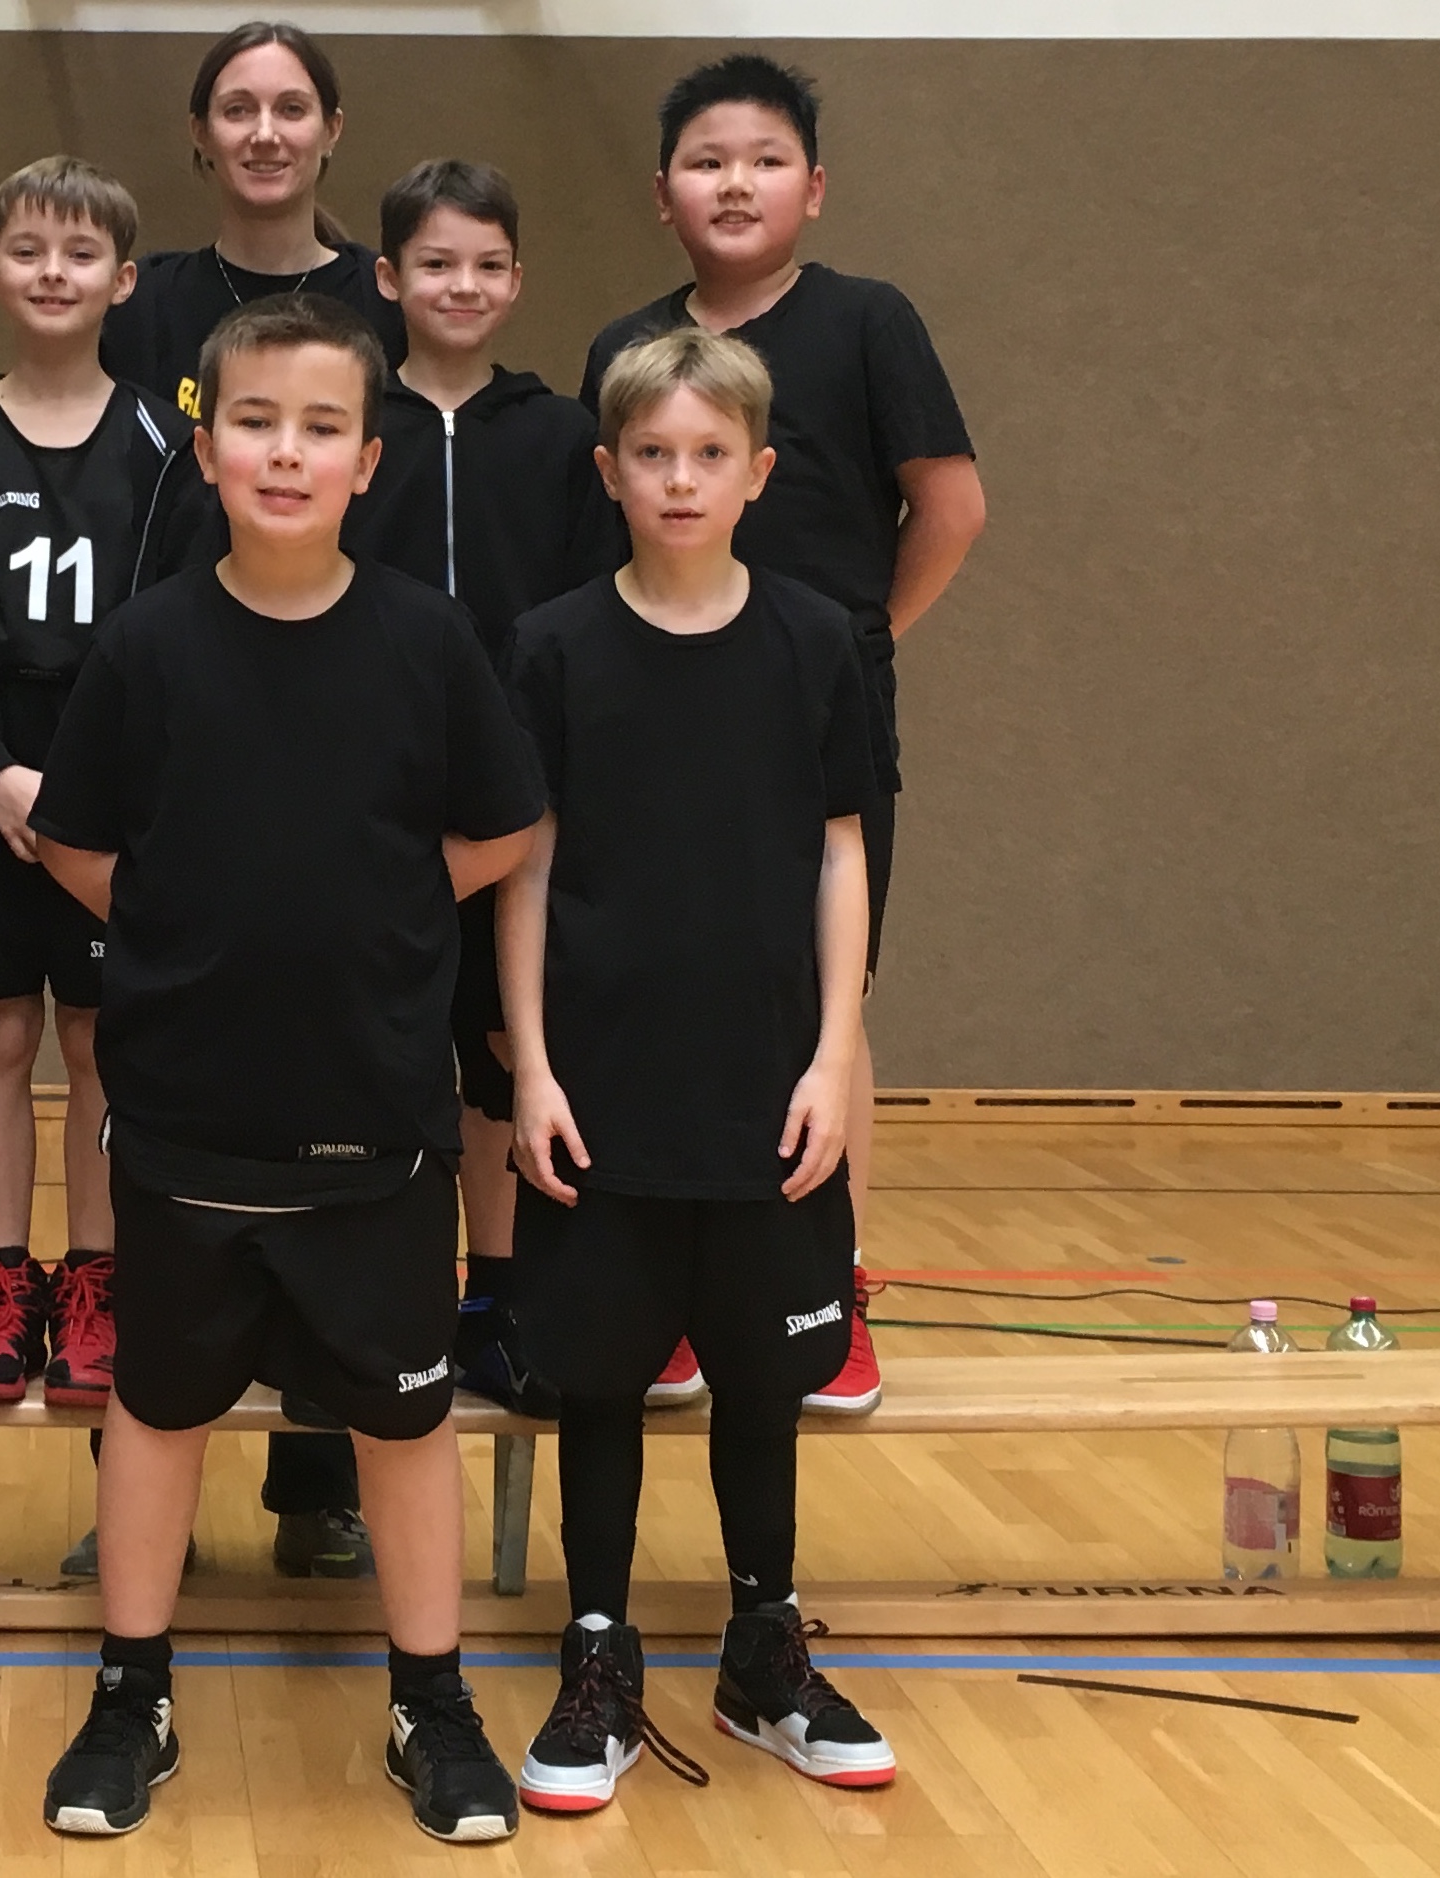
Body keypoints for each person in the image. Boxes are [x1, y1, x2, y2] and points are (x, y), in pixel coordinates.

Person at [29, 295, 540, 1844]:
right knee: (159, 1411)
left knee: (401, 1423)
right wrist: (184, 921)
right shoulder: (147, 644)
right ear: (205, 448)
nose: (285, 451)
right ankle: (130, 1693)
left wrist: (384, 907)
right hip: (186, 1125)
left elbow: (506, 821)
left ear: (367, 460)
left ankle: (432, 1700)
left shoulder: (426, 640)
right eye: (254, 422)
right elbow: (70, 835)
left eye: (322, 427)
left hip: (372, 1122)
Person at [500, 325, 895, 1814]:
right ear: (609, 471)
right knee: (600, 1379)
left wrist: (834, 1053)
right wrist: (531, 1066)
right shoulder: (549, 646)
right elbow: (526, 866)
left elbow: (840, 851)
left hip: (764, 1085)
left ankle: (761, 1648)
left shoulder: (815, 639)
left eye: (708, 454)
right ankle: (598, 1654)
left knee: (761, 1381)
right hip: (601, 1088)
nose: (680, 478)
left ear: (758, 472)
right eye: (653, 454)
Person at [579, 55, 988, 1416]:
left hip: (813, 728)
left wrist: (852, 646)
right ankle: (669, 1294)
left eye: (763, 159)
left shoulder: (870, 322)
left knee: (825, 997)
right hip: (653, 727)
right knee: (660, 984)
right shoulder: (629, 349)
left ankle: (831, 1284)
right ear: (662, 194)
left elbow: (951, 509)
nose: (734, 182)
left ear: (812, 187)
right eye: (706, 161)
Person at [92, 13, 397, 1577]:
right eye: (237, 106)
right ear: (201, 134)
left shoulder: (382, 299)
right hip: (183, 711)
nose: (265, 129)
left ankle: (317, 1478)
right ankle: (133, 1490)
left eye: (291, 105)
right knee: (176, 1132)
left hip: (343, 723)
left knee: (335, 1131)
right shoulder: (146, 308)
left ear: (331, 129)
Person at [0, 157, 209, 1438]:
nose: (53, 273)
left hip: (108, 789)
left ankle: (95, 1278)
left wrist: (86, 787)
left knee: (95, 1040)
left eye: (81, 254)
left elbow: (176, 631)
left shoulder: (164, 446)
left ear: (122, 282)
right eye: (27, 250)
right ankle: (2, 1281)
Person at [344, 157, 607, 1421]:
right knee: (370, 1056)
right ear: (387, 277)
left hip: (517, 807)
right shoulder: (352, 427)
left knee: (502, 1053)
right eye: (435, 263)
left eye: (487, 265)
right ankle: (360, 1304)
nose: (462, 285)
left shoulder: (556, 435)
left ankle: (498, 1299)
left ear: (516, 280)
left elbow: (592, 611)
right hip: (371, 801)